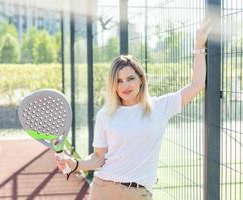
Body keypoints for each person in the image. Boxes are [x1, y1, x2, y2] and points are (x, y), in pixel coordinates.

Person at [55, 20, 211, 200]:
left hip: (140, 193)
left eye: (130, 78)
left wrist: (199, 45)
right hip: (104, 189)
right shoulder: (105, 115)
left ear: (141, 79)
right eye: (119, 81)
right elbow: (99, 158)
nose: (125, 85)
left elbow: (197, 85)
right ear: (113, 85)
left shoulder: (160, 107)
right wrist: (75, 164)